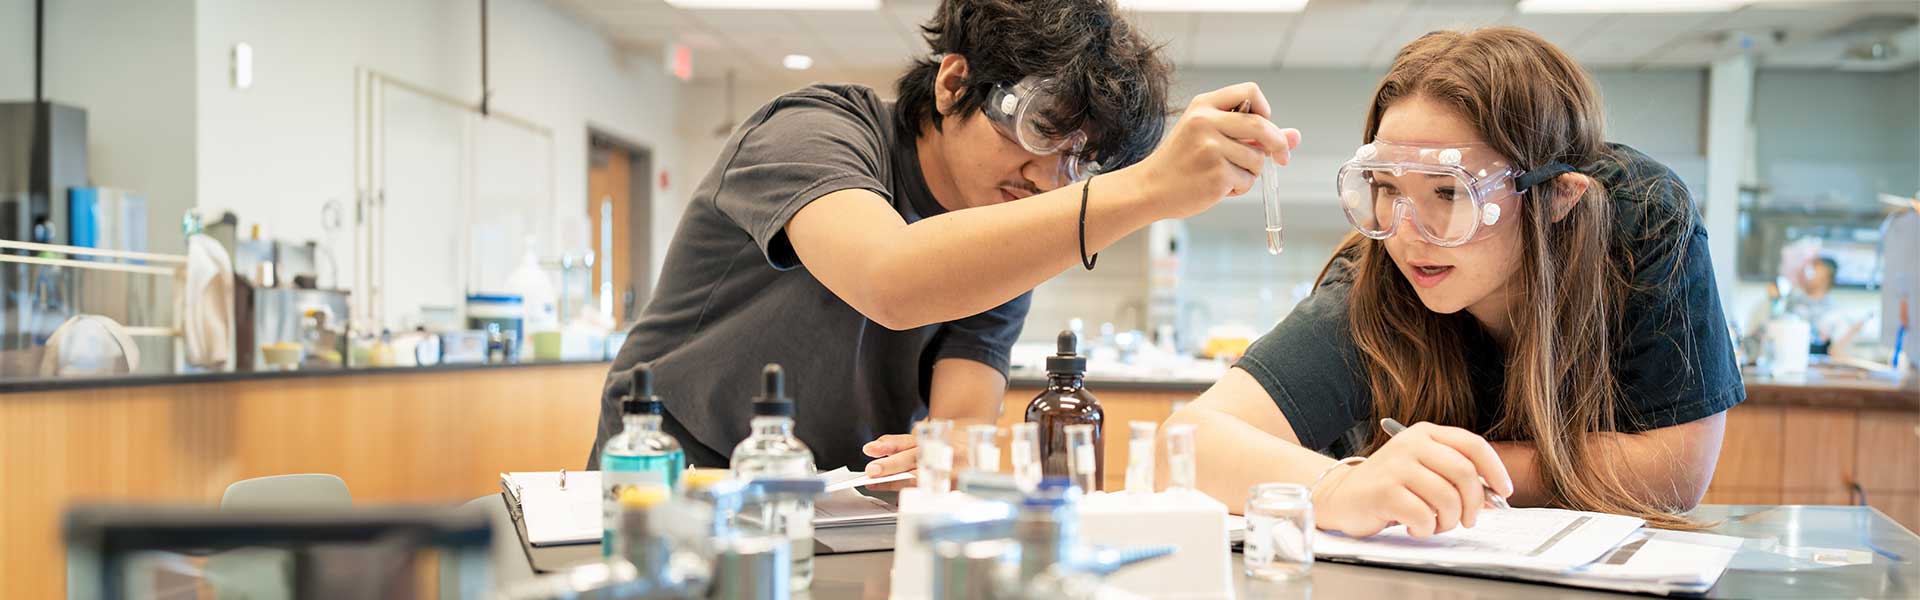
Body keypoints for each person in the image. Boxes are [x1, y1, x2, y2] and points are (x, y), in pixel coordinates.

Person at [588, 0, 1301, 474]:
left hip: (831, 502)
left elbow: (961, 421)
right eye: (1042, 127)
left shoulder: (997, 244)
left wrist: (952, 450)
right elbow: (890, 279)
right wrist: (1146, 188)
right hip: (666, 472)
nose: (1052, 178)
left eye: (1081, 161)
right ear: (954, 83)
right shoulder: (813, 133)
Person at [1162, 27, 1742, 537]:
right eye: (1386, 189)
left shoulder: (1640, 223)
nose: (1407, 234)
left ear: (1561, 195)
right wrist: (1343, 486)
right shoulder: (1375, 285)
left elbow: (1676, 471)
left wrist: (1448, 470)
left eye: (1448, 192)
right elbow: (1182, 446)